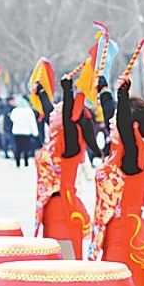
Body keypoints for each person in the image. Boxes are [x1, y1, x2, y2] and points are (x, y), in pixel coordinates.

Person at [88, 77, 144, 286]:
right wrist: (104, 91)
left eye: (116, 118)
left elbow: (123, 125)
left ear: (132, 126)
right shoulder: (120, 152)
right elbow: (113, 116)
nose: (110, 121)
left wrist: (122, 93)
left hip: (124, 238)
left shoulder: (134, 156)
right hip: (112, 234)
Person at [35, 77, 99, 259]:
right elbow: (49, 111)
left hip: (63, 208)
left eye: (57, 112)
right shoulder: (54, 141)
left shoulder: (70, 144)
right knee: (51, 264)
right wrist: (41, 92)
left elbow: (69, 120)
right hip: (51, 208)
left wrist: (68, 91)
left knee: (64, 264)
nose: (52, 114)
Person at [10, 98, 39, 167]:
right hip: (27, 132)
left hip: (17, 132)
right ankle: (26, 162)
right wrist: (35, 132)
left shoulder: (15, 111)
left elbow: (12, 119)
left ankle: (18, 162)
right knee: (26, 148)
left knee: (18, 147)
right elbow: (32, 122)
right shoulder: (29, 111)